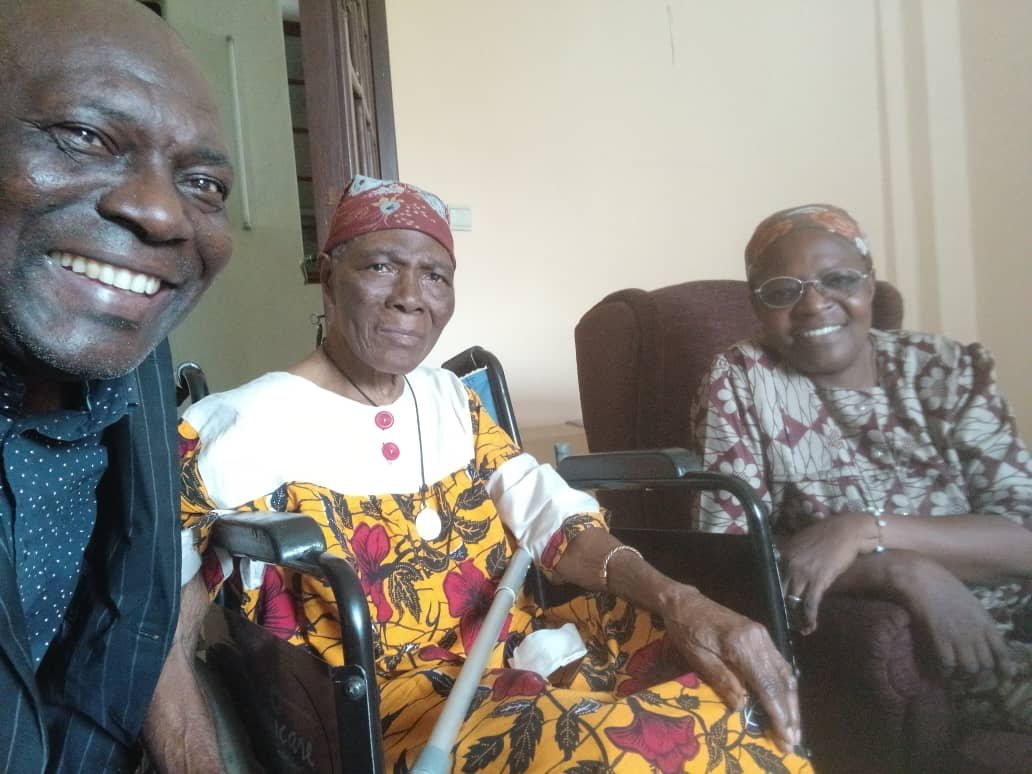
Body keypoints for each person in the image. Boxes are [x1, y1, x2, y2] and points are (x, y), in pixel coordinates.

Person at [151, 176, 811, 772]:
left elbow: (549, 517)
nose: (411, 298)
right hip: (401, 718)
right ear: (328, 275)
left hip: (531, 653)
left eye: (435, 276)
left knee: (723, 695)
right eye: (381, 266)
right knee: (620, 755)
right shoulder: (238, 427)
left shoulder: (450, 400)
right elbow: (158, 642)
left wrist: (679, 600)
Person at [0, 0, 235, 769]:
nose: (162, 214)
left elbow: (139, 618)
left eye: (202, 182)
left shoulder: (132, 350)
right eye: (85, 136)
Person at [693, 203, 1032, 735]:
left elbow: (1024, 538)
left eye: (839, 279)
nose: (814, 304)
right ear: (757, 305)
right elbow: (727, 562)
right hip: (956, 657)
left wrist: (865, 531)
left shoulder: (944, 367)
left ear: (870, 285)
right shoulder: (743, 379)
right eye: (783, 291)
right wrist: (899, 570)